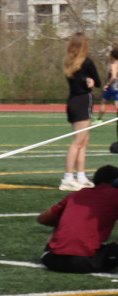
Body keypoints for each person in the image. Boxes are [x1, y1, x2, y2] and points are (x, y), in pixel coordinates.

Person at [36, 165, 118, 273]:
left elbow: (43, 219)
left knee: (59, 221)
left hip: (51, 259)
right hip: (85, 261)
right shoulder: (115, 195)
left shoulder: (77, 194)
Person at [62, 32, 102, 190]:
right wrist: (92, 81)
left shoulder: (69, 61)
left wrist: (88, 81)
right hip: (82, 101)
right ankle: (68, 177)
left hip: (73, 101)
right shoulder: (86, 62)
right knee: (78, 142)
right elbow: (98, 82)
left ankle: (81, 175)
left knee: (84, 141)